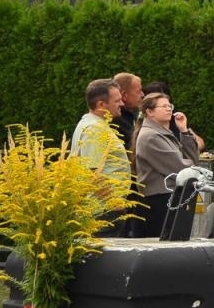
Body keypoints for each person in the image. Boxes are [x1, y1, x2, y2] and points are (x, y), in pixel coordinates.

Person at [131, 92, 201, 239]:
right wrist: (192, 166)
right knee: (164, 244)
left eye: (170, 105)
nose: (169, 109)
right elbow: (181, 167)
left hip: (167, 196)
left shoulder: (162, 133)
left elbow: (192, 159)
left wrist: (184, 130)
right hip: (159, 200)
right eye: (164, 106)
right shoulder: (150, 136)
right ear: (149, 112)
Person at [71, 78, 130, 189]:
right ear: (101, 104)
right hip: (104, 204)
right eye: (117, 101)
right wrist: (113, 202)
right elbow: (93, 172)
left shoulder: (90, 123)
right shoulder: (95, 129)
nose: (122, 104)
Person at [111, 72, 142, 148]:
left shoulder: (133, 114)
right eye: (138, 91)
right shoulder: (115, 121)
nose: (142, 94)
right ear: (124, 95)